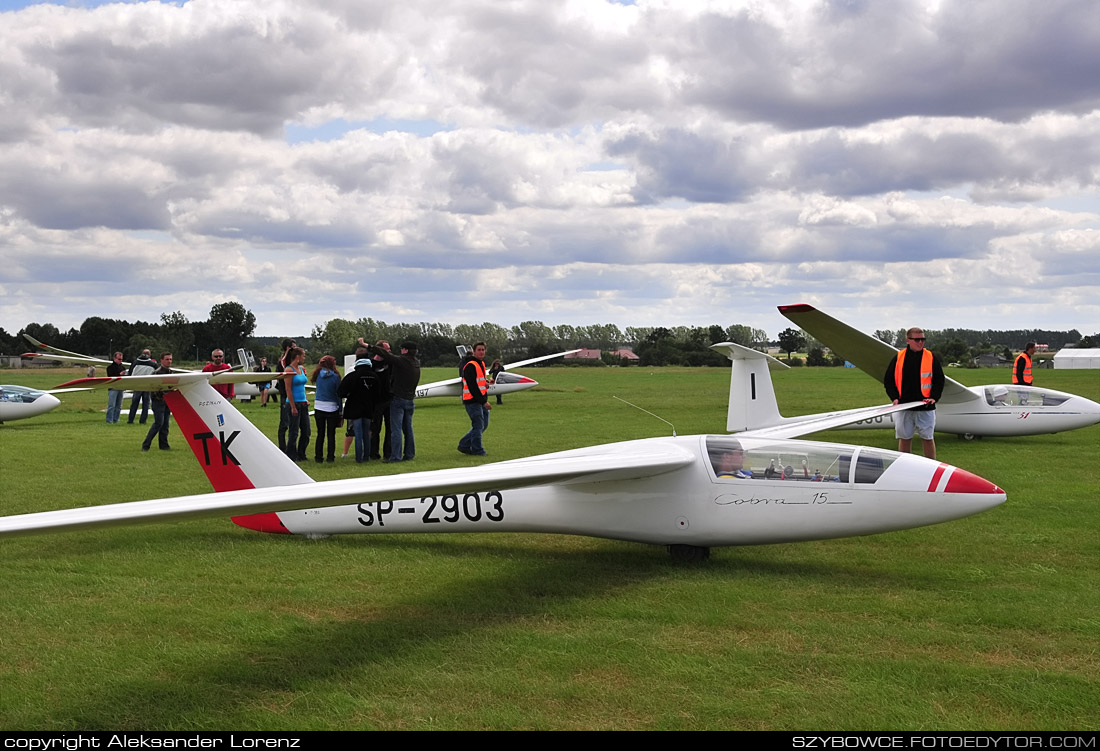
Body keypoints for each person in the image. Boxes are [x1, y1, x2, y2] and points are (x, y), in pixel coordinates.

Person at [883, 327, 945, 460]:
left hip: (925, 406)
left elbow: (939, 379)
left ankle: (931, 467)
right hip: (904, 406)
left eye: (923, 339)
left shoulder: (930, 357)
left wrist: (934, 397)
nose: (920, 342)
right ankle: (905, 467)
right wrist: (894, 398)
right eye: (917, 339)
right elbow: (888, 380)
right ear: (908, 340)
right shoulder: (899, 357)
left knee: (928, 438)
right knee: (904, 438)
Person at [362, 337, 420, 463]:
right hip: (410, 400)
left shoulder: (402, 361)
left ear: (405, 350)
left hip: (398, 399)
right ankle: (409, 454)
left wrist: (366, 345)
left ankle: (396, 456)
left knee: (396, 429)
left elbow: (385, 354)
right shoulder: (415, 362)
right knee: (408, 429)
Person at [339, 358, 379, 463]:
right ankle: (366, 457)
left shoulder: (352, 376)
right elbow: (379, 393)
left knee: (358, 433)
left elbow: (341, 391)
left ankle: (359, 458)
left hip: (354, 408)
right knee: (367, 433)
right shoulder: (374, 377)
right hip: (369, 408)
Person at [457, 341, 491, 456]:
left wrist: (486, 383)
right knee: (478, 425)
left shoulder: (481, 364)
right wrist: (483, 401)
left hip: (480, 399)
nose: (481, 352)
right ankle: (477, 450)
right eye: (479, 350)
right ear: (474, 352)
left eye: (483, 350)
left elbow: (479, 381)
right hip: (472, 400)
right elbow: (472, 386)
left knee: (483, 425)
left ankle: (464, 444)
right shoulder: (470, 365)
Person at [280, 346, 311, 462]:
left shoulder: (302, 369)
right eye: (303, 356)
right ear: (297, 357)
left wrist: (306, 399)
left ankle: (301, 453)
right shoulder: (289, 370)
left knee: (306, 431)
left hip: (303, 403)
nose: (304, 358)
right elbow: (288, 389)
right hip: (294, 403)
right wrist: (292, 406)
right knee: (294, 431)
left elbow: (302, 387)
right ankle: (291, 455)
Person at [310, 355, 342, 463]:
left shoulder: (318, 375)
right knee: (331, 434)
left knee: (320, 433)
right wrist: (340, 410)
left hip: (319, 406)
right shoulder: (335, 377)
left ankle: (318, 457)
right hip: (332, 407)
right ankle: (330, 457)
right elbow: (338, 394)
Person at [141, 353, 174, 451]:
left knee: (165, 425)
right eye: (167, 359)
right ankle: (146, 444)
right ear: (162, 360)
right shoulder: (157, 373)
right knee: (158, 423)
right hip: (158, 401)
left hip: (168, 401)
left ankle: (164, 445)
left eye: (170, 359)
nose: (169, 361)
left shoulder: (171, 372)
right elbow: (154, 388)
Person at [368, 340, 394, 460]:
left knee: (390, 428)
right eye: (387, 349)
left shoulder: (391, 363)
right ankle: (373, 453)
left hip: (389, 400)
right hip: (375, 401)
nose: (389, 351)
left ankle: (388, 453)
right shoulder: (371, 365)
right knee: (375, 428)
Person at [127, 349, 157, 424]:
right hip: (147, 386)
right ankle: (143, 421)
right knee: (146, 405)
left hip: (137, 385)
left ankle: (131, 420)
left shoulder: (135, 362)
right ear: (149, 355)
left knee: (134, 404)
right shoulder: (153, 364)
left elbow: (130, 373)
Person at [275, 338, 295, 451]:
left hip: (292, 394)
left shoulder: (292, 362)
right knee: (284, 423)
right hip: (285, 395)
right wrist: (287, 352)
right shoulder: (283, 362)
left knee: (293, 424)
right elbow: (282, 364)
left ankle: (291, 447)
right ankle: (282, 447)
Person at [105, 352, 125, 423]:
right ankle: (109, 420)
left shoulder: (122, 367)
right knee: (111, 405)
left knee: (119, 406)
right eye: (119, 359)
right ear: (114, 359)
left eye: (121, 359)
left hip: (121, 388)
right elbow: (110, 376)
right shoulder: (110, 368)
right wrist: (119, 374)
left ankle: (116, 419)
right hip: (113, 388)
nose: (120, 361)